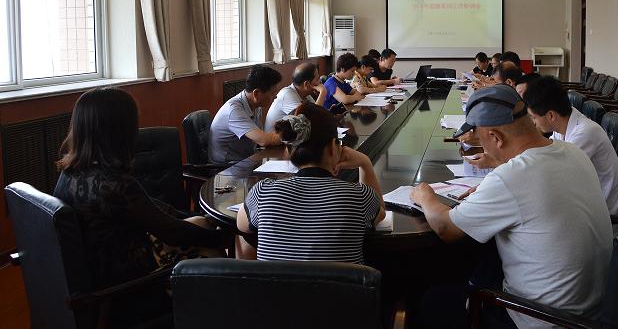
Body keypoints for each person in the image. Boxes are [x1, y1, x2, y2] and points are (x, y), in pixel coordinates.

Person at [411, 85, 612, 329]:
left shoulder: (511, 177)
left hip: (542, 319)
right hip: (593, 310)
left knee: (431, 301)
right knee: (486, 258)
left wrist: (425, 196)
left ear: (496, 137)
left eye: (482, 141)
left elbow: (445, 228)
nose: (484, 148)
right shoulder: (573, 151)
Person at [54, 88, 229, 293]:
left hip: (99, 276)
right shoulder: (115, 184)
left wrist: (198, 219)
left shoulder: (69, 173)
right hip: (130, 286)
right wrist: (224, 238)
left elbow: (152, 208)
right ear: (121, 132)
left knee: (200, 223)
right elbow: (172, 233)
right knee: (216, 257)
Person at [236, 103, 385, 262]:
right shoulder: (359, 197)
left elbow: (241, 226)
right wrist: (365, 163)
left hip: (277, 279)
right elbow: (380, 213)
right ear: (333, 147)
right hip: (338, 280)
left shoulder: (262, 192)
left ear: (289, 149)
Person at [524, 76, 618, 214]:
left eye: (533, 117)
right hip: (586, 201)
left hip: (607, 215)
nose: (533, 123)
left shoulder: (585, 133)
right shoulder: (563, 123)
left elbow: (553, 174)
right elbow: (546, 154)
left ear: (551, 115)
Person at [209, 65, 283, 163]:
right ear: (256, 94)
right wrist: (293, 134)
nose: (275, 97)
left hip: (247, 159)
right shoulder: (234, 111)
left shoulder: (255, 105)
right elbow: (264, 140)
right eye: (272, 93)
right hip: (228, 167)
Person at [264, 62, 327, 131]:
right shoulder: (287, 94)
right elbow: (311, 120)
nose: (320, 82)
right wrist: (323, 93)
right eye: (317, 79)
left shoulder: (306, 95)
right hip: (275, 137)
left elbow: (318, 116)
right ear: (306, 84)